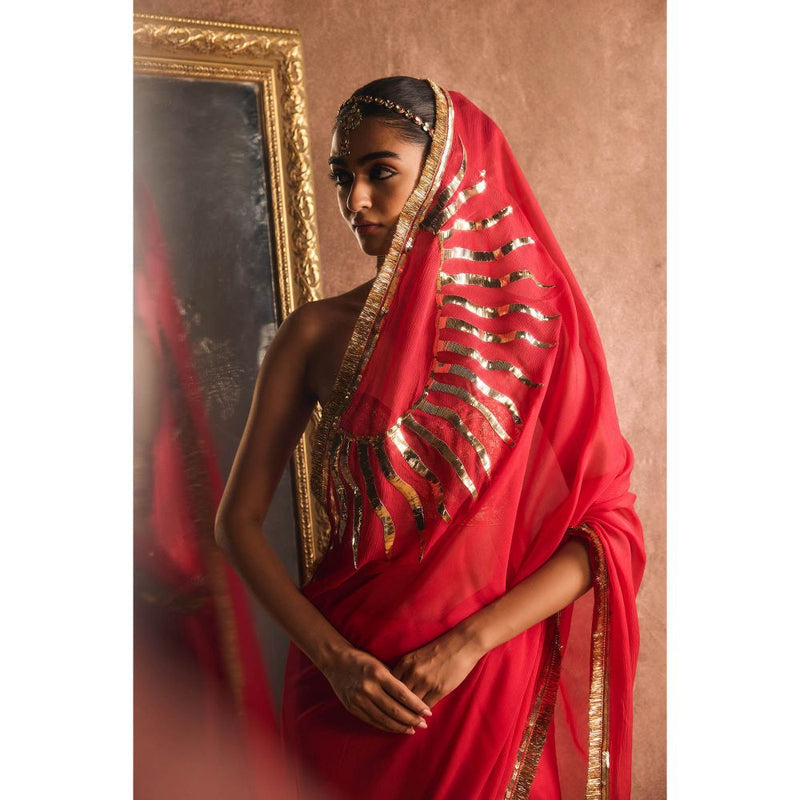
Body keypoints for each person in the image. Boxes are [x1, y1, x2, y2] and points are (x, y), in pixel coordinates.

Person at [215, 76, 646, 800]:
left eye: (380, 173)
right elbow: (236, 523)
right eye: (342, 178)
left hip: (483, 685)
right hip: (344, 689)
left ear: (445, 168)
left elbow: (605, 530)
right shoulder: (314, 334)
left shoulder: (531, 335)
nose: (354, 201)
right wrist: (335, 662)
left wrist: (467, 645)